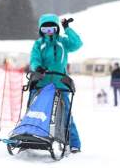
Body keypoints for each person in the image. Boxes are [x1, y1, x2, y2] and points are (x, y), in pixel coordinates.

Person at [29, 13, 83, 153]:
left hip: (60, 82)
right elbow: (34, 59)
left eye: (51, 29)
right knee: (34, 110)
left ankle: (74, 143)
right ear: (41, 30)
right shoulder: (39, 44)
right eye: (45, 30)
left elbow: (78, 44)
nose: (48, 33)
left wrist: (67, 29)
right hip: (42, 82)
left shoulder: (63, 42)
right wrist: (37, 67)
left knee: (66, 114)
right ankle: (29, 134)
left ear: (57, 29)